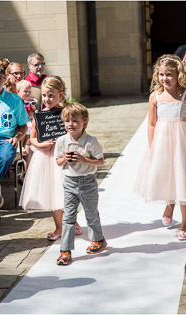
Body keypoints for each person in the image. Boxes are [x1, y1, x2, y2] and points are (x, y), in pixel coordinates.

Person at [134, 54, 186, 240]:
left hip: (183, 141)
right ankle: (170, 204)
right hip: (162, 141)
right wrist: (152, 146)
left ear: (178, 75)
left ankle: (185, 222)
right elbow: (151, 124)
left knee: (183, 177)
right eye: (162, 74)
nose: (165, 79)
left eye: (169, 75)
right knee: (167, 175)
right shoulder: (155, 97)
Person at [19, 76, 82, 241]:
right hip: (46, 159)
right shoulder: (39, 114)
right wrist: (40, 145)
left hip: (64, 157)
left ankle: (72, 221)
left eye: (51, 95)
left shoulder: (67, 113)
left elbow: (76, 132)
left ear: (60, 95)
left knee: (68, 191)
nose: (47, 99)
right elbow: (32, 137)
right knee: (53, 192)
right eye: (45, 95)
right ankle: (60, 226)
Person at [54, 102, 107, 265]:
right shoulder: (61, 140)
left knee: (91, 213)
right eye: (67, 121)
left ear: (85, 122)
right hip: (69, 182)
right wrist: (65, 158)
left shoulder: (91, 141)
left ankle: (98, 240)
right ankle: (65, 250)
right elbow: (58, 161)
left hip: (87, 182)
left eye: (75, 121)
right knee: (68, 216)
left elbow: (100, 161)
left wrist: (84, 159)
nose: (71, 124)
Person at [0, 66, 29, 192]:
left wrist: (17, 138)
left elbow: (23, 126)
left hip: (4, 139)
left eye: (0, 78)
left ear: (5, 79)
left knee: (6, 156)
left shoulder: (15, 100)